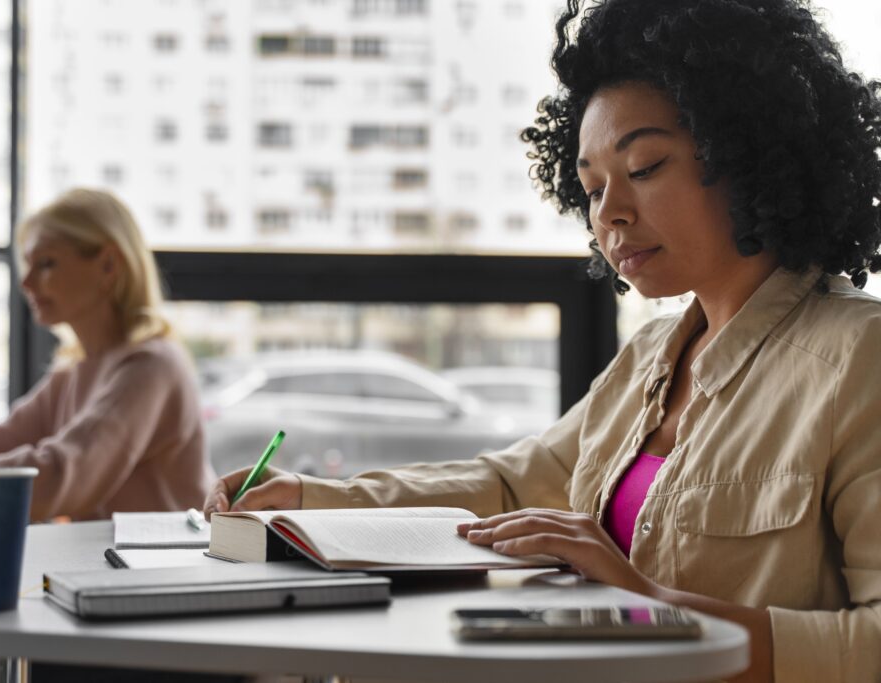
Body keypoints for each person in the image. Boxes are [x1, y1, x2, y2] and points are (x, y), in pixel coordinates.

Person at [203, 1, 881, 681]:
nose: (610, 213)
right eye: (591, 188)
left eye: (643, 166)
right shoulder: (651, 359)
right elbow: (510, 486)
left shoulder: (859, 357)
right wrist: (309, 498)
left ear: (750, 149)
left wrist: (650, 607)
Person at [0, 188, 215, 521]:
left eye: (46, 263)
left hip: (168, 578)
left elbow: (55, 479)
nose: (25, 283)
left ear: (108, 265)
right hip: (110, 576)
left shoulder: (151, 367)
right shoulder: (72, 374)